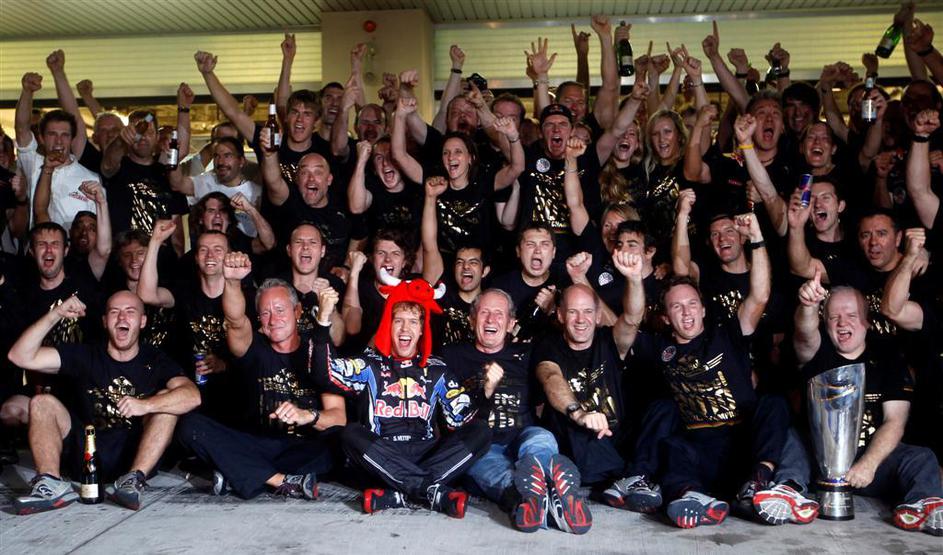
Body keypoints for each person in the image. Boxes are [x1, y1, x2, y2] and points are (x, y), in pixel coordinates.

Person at [316, 273, 495, 518]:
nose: (405, 328)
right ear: (388, 325)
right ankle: (429, 491)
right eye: (398, 320)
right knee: (349, 433)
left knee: (482, 431)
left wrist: (486, 393)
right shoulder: (370, 364)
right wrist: (322, 322)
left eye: (413, 321)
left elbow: (462, 420)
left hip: (427, 454)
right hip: (382, 455)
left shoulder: (437, 369)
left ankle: (400, 492)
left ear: (422, 329)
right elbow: (325, 373)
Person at [9, 291, 200, 513]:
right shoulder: (87, 354)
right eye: (114, 312)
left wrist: (147, 405)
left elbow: (192, 396)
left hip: (133, 456)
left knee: (167, 405)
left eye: (130, 312)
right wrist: (56, 314)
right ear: (104, 321)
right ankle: (50, 483)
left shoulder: (155, 359)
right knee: (42, 402)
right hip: (86, 457)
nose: (122, 318)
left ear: (142, 321)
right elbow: (19, 356)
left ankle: (133, 479)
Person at [175, 254, 347, 500]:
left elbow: (338, 418)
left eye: (280, 310)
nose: (273, 319)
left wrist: (306, 415)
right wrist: (232, 281)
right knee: (190, 426)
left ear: (298, 311)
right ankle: (281, 481)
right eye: (265, 313)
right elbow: (235, 321)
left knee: (338, 445)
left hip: (303, 448)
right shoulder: (252, 346)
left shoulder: (317, 350)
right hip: (257, 442)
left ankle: (240, 473)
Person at [794, 275, 943, 536]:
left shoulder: (888, 360)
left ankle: (923, 504)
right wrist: (808, 305)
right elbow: (805, 334)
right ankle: (788, 490)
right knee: (790, 438)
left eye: (851, 315)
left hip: (871, 465)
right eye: (834, 317)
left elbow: (895, 421)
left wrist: (869, 464)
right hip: (821, 465)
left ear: (866, 321)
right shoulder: (817, 352)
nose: (842, 322)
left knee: (921, 457)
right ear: (825, 323)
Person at [442, 289, 590, 534]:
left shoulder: (526, 355)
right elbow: (448, 415)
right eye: (484, 313)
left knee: (542, 438)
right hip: (480, 445)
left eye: (499, 314)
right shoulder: (451, 356)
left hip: (522, 435)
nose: (491, 319)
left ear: (511, 324)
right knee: (484, 466)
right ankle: (530, 498)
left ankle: (548, 486)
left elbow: (552, 373)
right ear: (471, 319)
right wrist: (484, 391)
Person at [534, 252, 644, 503]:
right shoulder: (548, 346)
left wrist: (635, 279)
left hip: (615, 437)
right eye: (573, 312)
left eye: (587, 312)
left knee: (661, 409)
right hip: (578, 442)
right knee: (563, 418)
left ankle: (631, 476)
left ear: (597, 316)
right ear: (560, 315)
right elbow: (551, 378)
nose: (580, 320)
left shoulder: (610, 340)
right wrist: (579, 414)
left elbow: (632, 318)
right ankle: (624, 479)